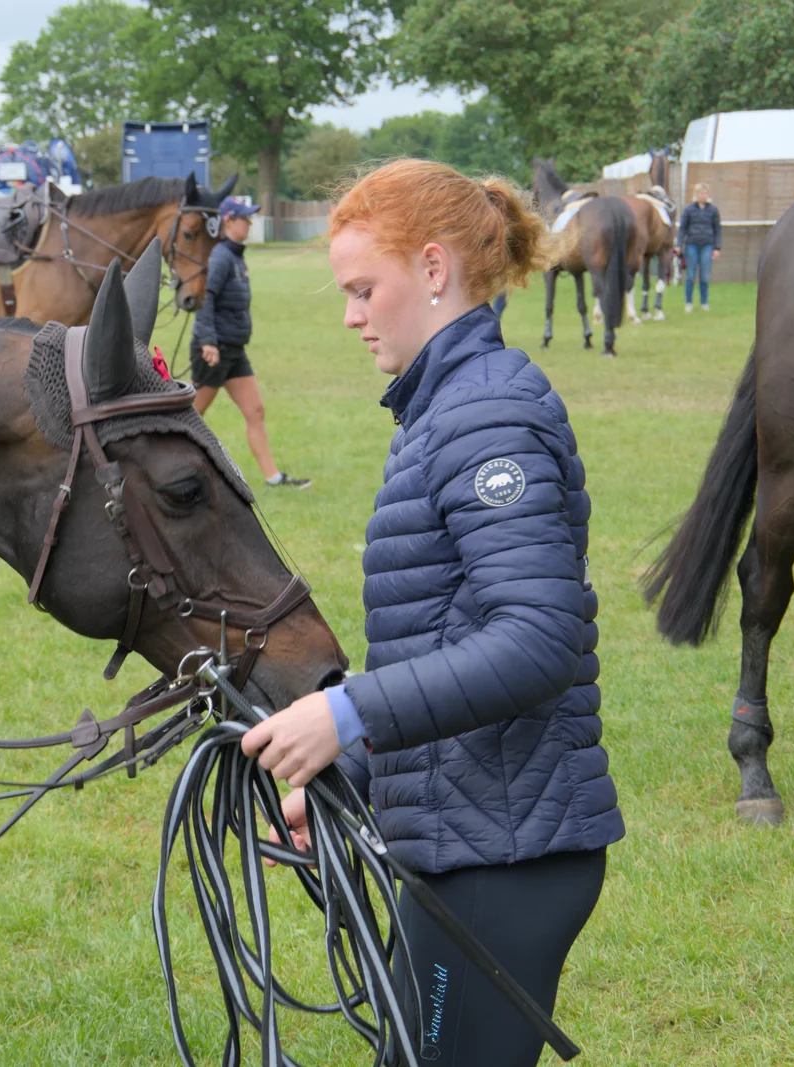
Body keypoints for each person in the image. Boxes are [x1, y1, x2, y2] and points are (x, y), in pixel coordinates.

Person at [240, 159, 623, 1066]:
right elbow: (449, 637)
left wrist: (346, 712)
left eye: (365, 287)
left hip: (508, 856)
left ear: (437, 268)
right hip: (468, 838)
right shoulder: (445, 409)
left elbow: (537, 642)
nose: (351, 314)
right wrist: (364, 768)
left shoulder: (485, 415)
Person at [191, 198, 310, 489]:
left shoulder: (235, 256)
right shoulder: (219, 257)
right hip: (214, 350)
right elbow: (204, 302)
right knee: (191, 415)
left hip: (234, 350)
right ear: (228, 221)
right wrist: (208, 342)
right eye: (245, 218)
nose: (251, 223)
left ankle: (273, 477)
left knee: (255, 411)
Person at [678, 182, 721, 312]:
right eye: (700, 193)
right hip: (692, 245)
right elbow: (682, 228)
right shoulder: (689, 210)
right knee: (690, 275)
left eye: (705, 193)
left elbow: (717, 229)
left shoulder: (713, 210)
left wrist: (717, 247)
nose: (703, 196)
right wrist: (679, 245)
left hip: (707, 245)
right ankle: (689, 302)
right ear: (696, 195)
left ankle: (704, 302)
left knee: (704, 276)